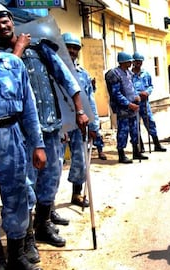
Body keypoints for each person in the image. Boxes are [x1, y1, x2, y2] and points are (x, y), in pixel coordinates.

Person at [0, 3, 89, 252]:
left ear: (12, 22)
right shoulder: (0, 57)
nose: (2, 26)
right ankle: (27, 237)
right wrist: (17, 49)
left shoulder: (38, 47)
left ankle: (44, 224)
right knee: (25, 187)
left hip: (50, 126)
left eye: (6, 21)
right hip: (18, 135)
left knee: (50, 180)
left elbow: (65, 77)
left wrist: (79, 111)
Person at [0, 9, 46, 270]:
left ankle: (17, 254)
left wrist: (37, 144)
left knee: (17, 195)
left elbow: (29, 109)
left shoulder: (12, 65)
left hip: (10, 135)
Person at [62, 32, 103, 208]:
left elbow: (90, 100)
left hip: (80, 123)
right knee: (54, 165)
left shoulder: (83, 74)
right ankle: (45, 208)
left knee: (80, 160)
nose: (71, 51)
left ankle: (77, 194)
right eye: (68, 47)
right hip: (58, 123)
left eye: (75, 48)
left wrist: (94, 125)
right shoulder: (50, 70)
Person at [105, 51, 148, 163]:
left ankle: (136, 151)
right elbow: (116, 94)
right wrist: (129, 104)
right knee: (123, 131)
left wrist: (136, 97)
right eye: (129, 61)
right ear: (124, 62)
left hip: (133, 105)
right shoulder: (115, 74)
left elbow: (131, 88)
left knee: (135, 130)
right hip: (123, 108)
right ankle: (121, 154)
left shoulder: (128, 73)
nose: (131, 63)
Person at [131, 51, 167, 152]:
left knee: (150, 122)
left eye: (140, 61)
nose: (138, 63)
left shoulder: (146, 74)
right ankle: (140, 145)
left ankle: (156, 144)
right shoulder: (129, 75)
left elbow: (150, 86)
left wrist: (147, 92)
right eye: (136, 61)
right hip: (134, 103)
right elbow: (128, 89)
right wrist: (138, 94)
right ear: (133, 62)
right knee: (135, 125)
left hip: (144, 103)